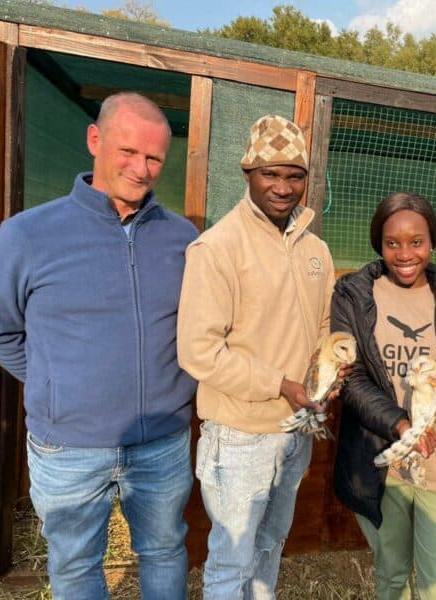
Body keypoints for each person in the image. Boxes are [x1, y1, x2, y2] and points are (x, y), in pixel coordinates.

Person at [0, 92, 199, 599]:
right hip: (68, 447)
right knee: (77, 563)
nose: (141, 169)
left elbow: (201, 326)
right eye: (128, 151)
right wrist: (55, 384)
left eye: (153, 158)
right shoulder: (28, 235)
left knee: (165, 549)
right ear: (94, 140)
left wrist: (180, 388)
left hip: (163, 440)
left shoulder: (183, 239)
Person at [176, 114, 344, 599]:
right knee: (231, 562)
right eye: (271, 173)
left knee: (271, 545)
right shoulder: (217, 248)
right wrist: (281, 385)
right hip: (240, 436)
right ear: (248, 172)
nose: (283, 186)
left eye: (294, 175)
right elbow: (198, 350)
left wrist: (325, 371)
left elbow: (321, 327)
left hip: (296, 432)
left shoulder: (315, 249)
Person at [330, 192, 436, 600]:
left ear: (432, 242)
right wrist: (401, 425)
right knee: (391, 578)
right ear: (379, 245)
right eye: (392, 243)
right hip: (385, 466)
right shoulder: (354, 295)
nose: (405, 253)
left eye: (416, 242)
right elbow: (351, 380)